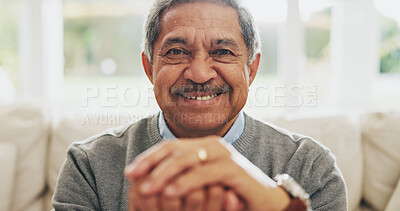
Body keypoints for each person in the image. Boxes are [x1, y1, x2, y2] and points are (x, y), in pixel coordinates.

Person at [52, 0, 347, 210]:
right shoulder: (88, 165)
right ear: (149, 68)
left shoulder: (311, 167)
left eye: (222, 51)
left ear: (251, 69)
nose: (200, 73)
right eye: (177, 51)